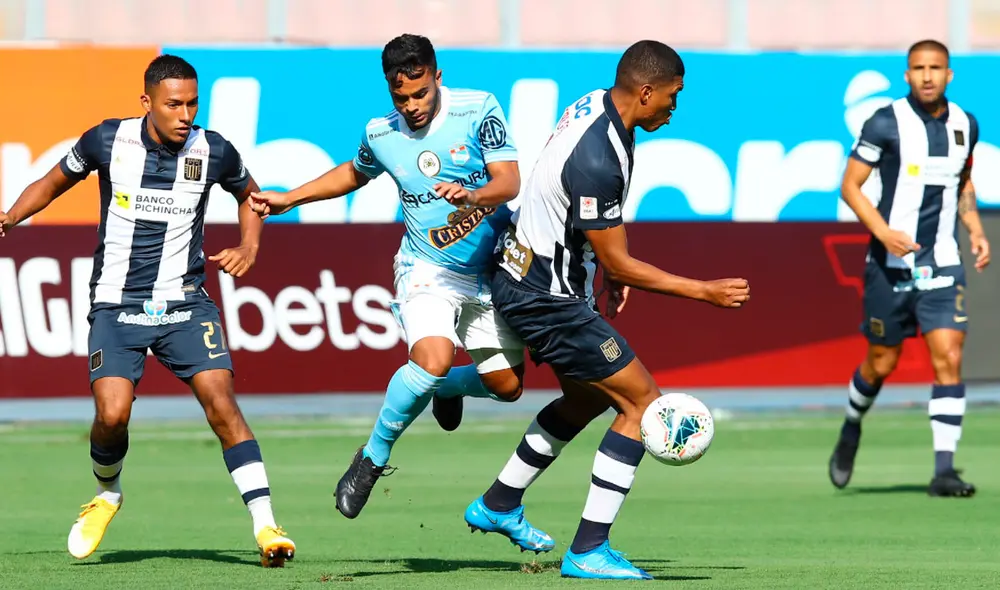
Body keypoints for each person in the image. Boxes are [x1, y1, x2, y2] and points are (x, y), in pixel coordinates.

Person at [462, 40, 750, 580]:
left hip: (530, 278)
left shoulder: (596, 104)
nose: (674, 106)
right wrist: (703, 291)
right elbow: (618, 250)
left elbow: (578, 213)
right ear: (646, 91)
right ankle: (588, 550)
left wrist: (602, 268)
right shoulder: (599, 157)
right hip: (544, 298)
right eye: (672, 95)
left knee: (588, 399)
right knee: (643, 405)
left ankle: (499, 502)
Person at [0, 55, 295, 567]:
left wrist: (250, 246)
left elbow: (252, 197)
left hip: (185, 303)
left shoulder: (214, 149)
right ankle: (108, 492)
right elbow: (50, 182)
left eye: (193, 104)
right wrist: (9, 217)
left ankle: (267, 525)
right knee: (112, 415)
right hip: (117, 305)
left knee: (222, 405)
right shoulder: (108, 141)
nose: (186, 115)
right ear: (147, 103)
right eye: (174, 104)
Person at [249, 33, 543, 525]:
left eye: (420, 93)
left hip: (490, 272)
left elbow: (509, 181)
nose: (411, 106)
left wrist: (473, 197)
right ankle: (372, 457)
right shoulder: (382, 133)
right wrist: (290, 198)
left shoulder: (478, 109)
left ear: (437, 76)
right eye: (400, 96)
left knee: (508, 387)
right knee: (431, 357)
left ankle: (445, 388)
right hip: (426, 268)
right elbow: (353, 173)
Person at [829, 39, 989, 497]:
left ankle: (944, 470)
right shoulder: (885, 122)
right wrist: (884, 233)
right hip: (890, 264)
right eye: (918, 67)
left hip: (942, 263)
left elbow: (962, 182)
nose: (926, 75)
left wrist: (974, 227)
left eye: (935, 67)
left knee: (949, 359)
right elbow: (851, 186)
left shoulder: (965, 124)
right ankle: (852, 423)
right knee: (882, 362)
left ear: (949, 74)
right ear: (906, 74)